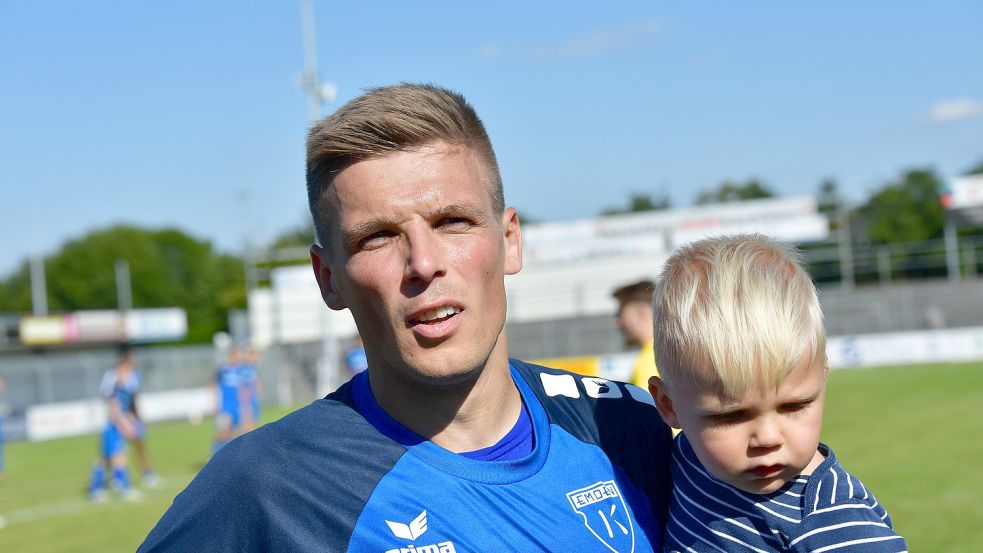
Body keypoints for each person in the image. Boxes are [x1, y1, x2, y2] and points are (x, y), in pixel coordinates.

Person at [140, 83, 673, 552]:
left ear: (510, 241)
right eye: (377, 237)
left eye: (453, 222)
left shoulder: (632, 428)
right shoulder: (268, 485)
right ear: (328, 278)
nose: (423, 263)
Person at [647, 234, 907, 552]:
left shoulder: (832, 523)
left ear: (822, 377)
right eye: (731, 415)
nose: (768, 438)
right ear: (668, 404)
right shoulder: (688, 457)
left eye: (794, 405)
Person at [87, 346, 143, 501]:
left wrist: (132, 418)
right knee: (117, 456)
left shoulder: (132, 377)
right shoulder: (112, 377)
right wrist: (123, 423)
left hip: (121, 421)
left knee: (105, 458)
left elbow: (129, 402)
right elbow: (113, 405)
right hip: (112, 423)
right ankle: (124, 488)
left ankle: (96, 489)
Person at [612, 279, 659, 388]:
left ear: (641, 313)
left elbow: (648, 404)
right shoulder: (671, 351)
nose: (617, 323)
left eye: (620, 314)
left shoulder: (651, 360)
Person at [212, 347, 245, 451]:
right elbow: (213, 385)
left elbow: (245, 389)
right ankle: (214, 455)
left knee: (235, 434)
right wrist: (215, 403)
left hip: (238, 407)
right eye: (234, 357)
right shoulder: (223, 370)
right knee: (223, 433)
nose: (237, 359)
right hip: (225, 407)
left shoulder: (241, 371)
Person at [239, 347, 263, 431]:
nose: (257, 358)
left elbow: (255, 381)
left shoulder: (252, 368)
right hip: (248, 399)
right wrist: (245, 401)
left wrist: (259, 391)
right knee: (248, 422)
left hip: (253, 397)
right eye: (255, 356)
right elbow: (243, 385)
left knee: (255, 421)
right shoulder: (245, 368)